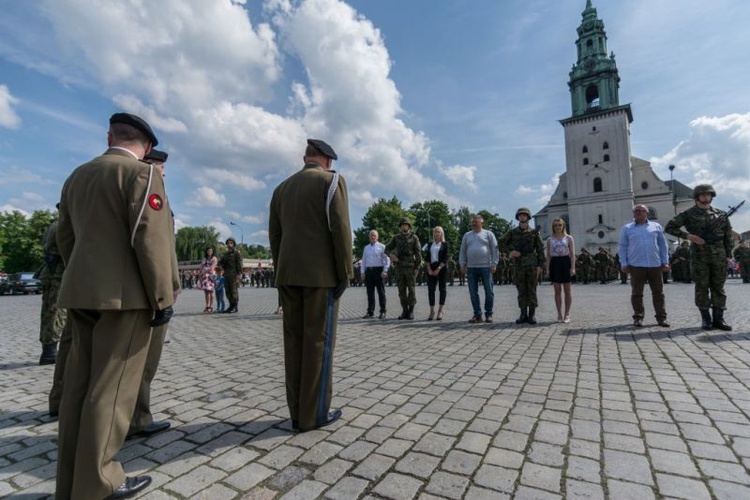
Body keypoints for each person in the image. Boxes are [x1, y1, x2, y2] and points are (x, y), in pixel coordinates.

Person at [55, 112, 177, 499]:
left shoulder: (77, 176)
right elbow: (151, 242)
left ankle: (71, 481)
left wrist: (83, 279)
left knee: (79, 387)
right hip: (125, 298)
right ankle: (101, 481)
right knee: (112, 390)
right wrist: (162, 298)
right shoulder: (143, 175)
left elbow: (65, 238)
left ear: (109, 136)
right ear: (147, 146)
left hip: (83, 292)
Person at [269, 138, 353, 432]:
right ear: (327, 161)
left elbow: (275, 236)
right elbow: (341, 229)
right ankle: (314, 414)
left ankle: (296, 412)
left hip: (288, 275)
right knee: (319, 343)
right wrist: (344, 272)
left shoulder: (282, 189)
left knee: (294, 345)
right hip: (320, 277)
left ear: (306, 158)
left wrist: (281, 272)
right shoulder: (332, 182)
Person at [127, 148, 179, 441]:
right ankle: (136, 418)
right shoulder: (146, 190)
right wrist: (165, 290)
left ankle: (135, 415)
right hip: (148, 293)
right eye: (160, 168)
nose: (163, 174)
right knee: (143, 360)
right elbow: (153, 246)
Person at [665, 184, 733, 330]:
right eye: (703, 195)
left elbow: (728, 235)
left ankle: (719, 320)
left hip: (719, 255)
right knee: (701, 287)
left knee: (718, 287)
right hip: (699, 255)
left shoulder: (720, 214)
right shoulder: (688, 214)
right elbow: (670, 227)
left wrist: (729, 255)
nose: (706, 197)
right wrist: (689, 236)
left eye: (708, 195)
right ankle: (706, 320)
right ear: (697, 197)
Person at [618, 204, 670, 328]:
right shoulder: (627, 228)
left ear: (647, 213)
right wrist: (624, 263)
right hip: (636, 265)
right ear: (633, 214)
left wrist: (665, 261)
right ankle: (638, 317)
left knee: (658, 293)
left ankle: (661, 318)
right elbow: (622, 246)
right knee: (637, 293)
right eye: (636, 211)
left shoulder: (656, 226)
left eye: (642, 211)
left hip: (655, 264)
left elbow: (663, 245)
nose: (639, 213)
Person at [499, 208, 544, 324]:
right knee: (521, 289)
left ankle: (532, 314)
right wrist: (510, 252)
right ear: (518, 217)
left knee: (532, 289)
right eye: (520, 215)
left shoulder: (534, 233)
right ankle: (523, 313)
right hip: (518, 265)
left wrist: (540, 265)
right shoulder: (513, 232)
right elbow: (501, 242)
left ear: (528, 218)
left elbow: (540, 249)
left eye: (525, 215)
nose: (522, 217)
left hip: (532, 264)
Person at [459, 214, 499, 323]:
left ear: (482, 222)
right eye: (472, 222)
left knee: (489, 291)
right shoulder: (467, 235)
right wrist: (462, 264)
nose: (474, 223)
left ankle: (489, 314)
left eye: (476, 221)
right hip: (471, 268)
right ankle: (477, 315)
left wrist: (494, 263)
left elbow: (495, 250)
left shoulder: (488, 234)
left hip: (486, 267)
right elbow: (462, 251)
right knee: (473, 292)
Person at [38, 214, 67, 365]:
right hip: (57, 273)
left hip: (53, 272)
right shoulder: (61, 225)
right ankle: (49, 352)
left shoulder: (55, 224)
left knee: (52, 311)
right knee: (56, 312)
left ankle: (50, 350)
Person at [385, 218, 422, 320]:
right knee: (401, 290)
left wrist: (417, 267)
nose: (404, 226)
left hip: (410, 267)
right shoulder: (396, 238)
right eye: (402, 225)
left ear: (409, 226)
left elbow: (418, 253)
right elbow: (386, 249)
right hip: (399, 267)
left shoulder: (414, 238)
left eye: (406, 225)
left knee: (411, 290)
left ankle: (411, 311)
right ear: (400, 226)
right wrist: (392, 256)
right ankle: (404, 310)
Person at [545, 218, 576, 323]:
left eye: (559, 225)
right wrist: (548, 268)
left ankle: (567, 314)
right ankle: (559, 314)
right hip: (555, 263)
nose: (558, 227)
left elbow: (572, 254)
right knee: (557, 291)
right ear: (553, 227)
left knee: (567, 291)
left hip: (565, 262)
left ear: (563, 226)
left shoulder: (569, 238)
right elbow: (548, 255)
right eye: (555, 225)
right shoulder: (550, 239)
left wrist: (573, 267)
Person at [360, 229, 390, 319]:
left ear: (377, 237)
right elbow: (364, 260)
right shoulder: (366, 248)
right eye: (371, 235)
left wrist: (385, 270)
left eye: (374, 235)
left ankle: (383, 311)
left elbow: (387, 259)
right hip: (369, 271)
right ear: (369, 237)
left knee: (381, 292)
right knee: (370, 293)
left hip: (379, 271)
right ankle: (370, 312)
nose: (373, 237)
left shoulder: (382, 247)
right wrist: (362, 272)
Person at [425, 226, 450, 320]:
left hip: (441, 268)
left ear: (442, 234)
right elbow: (427, 257)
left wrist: (438, 269)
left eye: (439, 232)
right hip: (431, 267)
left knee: (442, 289)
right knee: (431, 289)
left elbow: (445, 257)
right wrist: (429, 269)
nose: (437, 233)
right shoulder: (430, 244)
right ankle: (432, 310)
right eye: (435, 232)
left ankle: (440, 310)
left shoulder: (445, 244)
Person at [220, 237, 243, 313]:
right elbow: (221, 263)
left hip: (234, 275)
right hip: (226, 275)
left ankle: (235, 307)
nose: (229, 244)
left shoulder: (236, 253)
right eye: (228, 243)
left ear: (233, 244)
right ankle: (231, 306)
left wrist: (239, 274)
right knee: (228, 291)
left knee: (234, 291)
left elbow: (239, 264)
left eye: (231, 243)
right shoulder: (225, 254)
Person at [199, 246, 217, 313]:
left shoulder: (214, 258)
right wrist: (200, 274)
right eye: (208, 251)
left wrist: (205, 270)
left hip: (211, 276)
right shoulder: (204, 259)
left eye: (211, 251)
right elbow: (201, 267)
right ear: (206, 251)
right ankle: (207, 306)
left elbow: (212, 267)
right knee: (206, 292)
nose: (209, 252)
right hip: (204, 277)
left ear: (213, 252)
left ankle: (211, 306)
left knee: (211, 291)